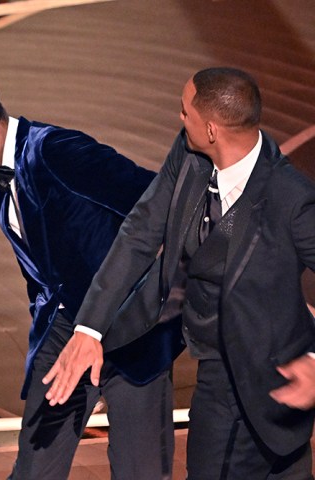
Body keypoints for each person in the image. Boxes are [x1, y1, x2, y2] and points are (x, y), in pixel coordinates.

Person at [44, 67, 315, 479]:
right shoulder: (188, 154)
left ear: (211, 129)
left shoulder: (290, 198)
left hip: (275, 380)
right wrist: (89, 329)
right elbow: (139, 232)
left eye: (184, 111)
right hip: (217, 369)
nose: (179, 118)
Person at [0, 74, 176, 479]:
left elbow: (151, 199)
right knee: (34, 468)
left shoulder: (56, 151)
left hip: (132, 325)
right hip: (64, 331)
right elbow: (41, 272)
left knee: (141, 471)